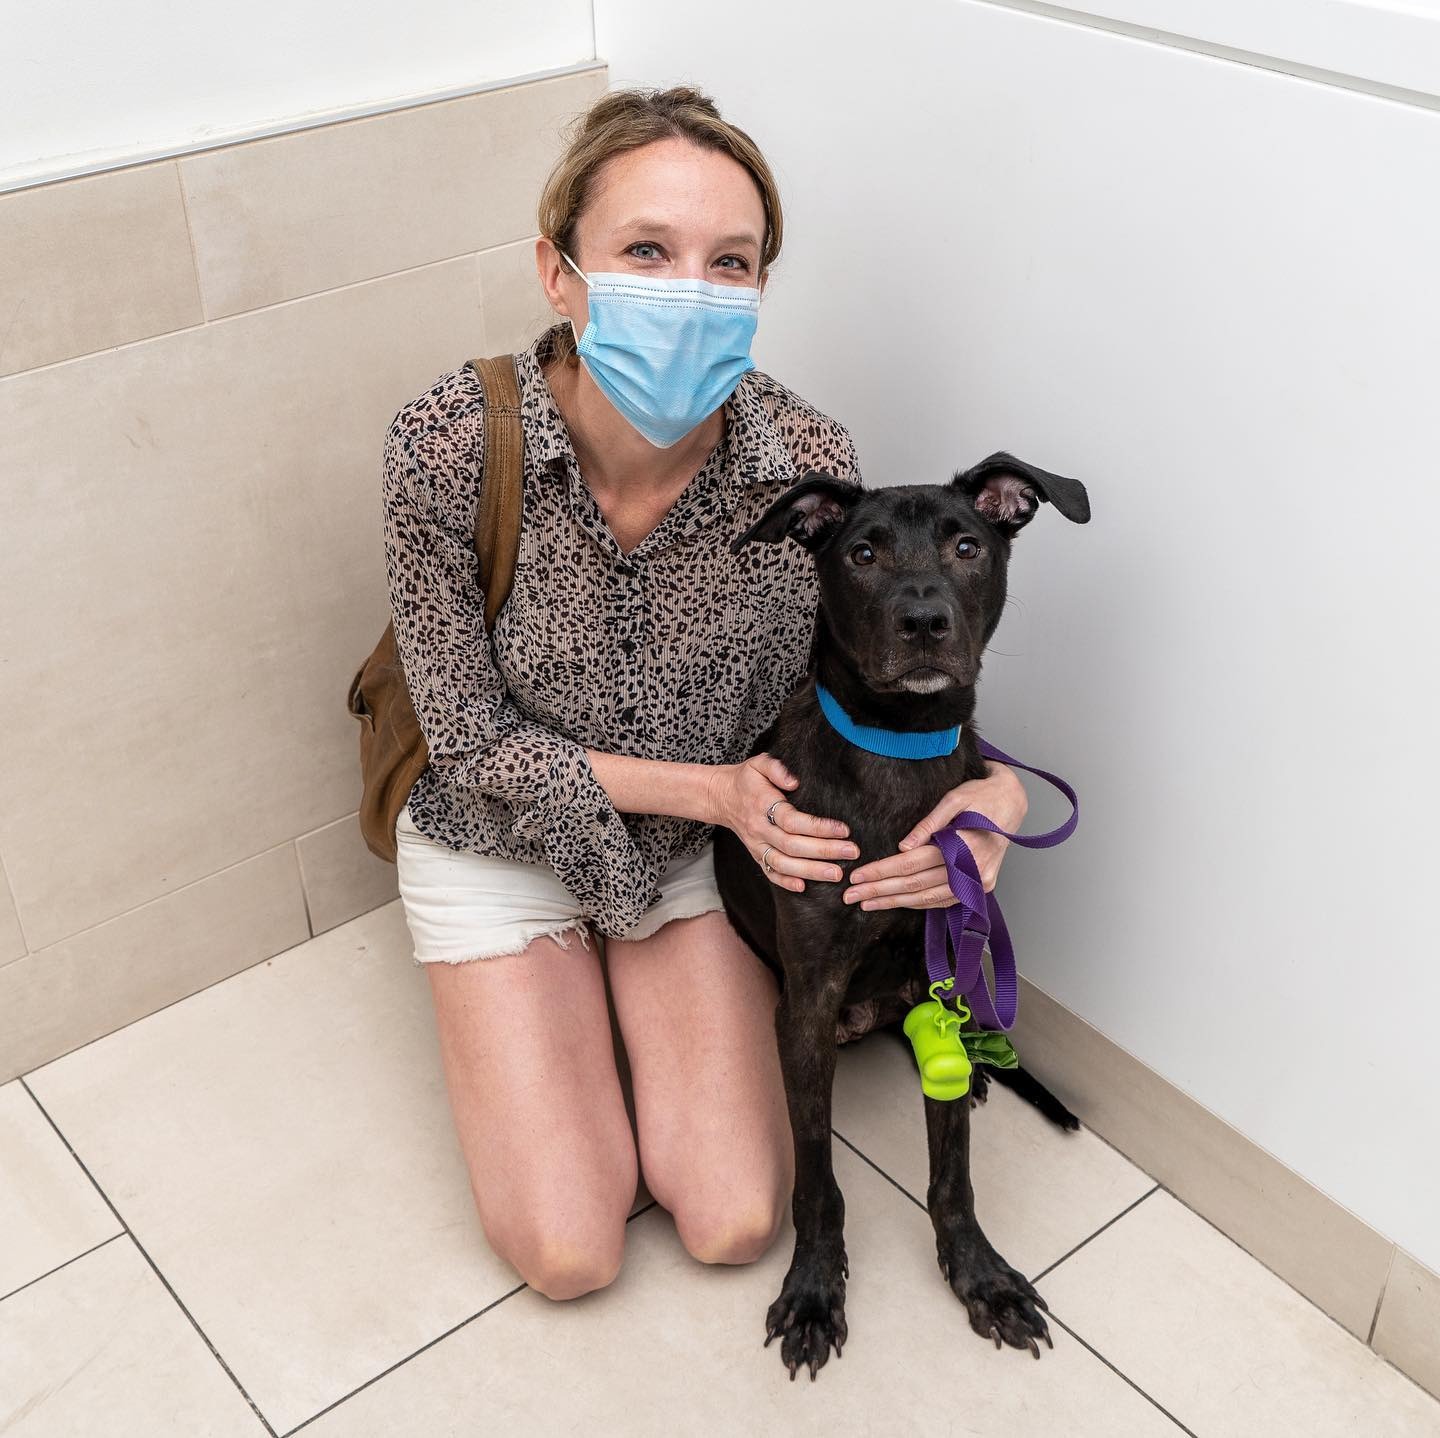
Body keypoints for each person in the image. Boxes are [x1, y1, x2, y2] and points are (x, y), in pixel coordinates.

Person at [380, 85, 1029, 1302]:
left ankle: (630, 1013)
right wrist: (721, 790)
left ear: (762, 285)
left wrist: (992, 793)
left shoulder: (806, 463)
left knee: (734, 1219)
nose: (690, 289)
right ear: (558, 272)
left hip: (698, 848)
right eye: (645, 251)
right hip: (505, 829)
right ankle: (556, 998)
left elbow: (878, 673)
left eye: (729, 261)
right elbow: (463, 741)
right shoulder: (446, 444)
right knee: (570, 1249)